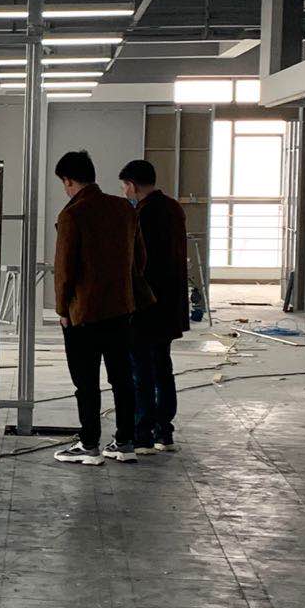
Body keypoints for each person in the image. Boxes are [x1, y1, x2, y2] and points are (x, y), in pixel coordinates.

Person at [51, 150, 147, 465]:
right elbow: (139, 259)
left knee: (86, 381)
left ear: (68, 181)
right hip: (121, 308)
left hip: (84, 312)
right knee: (122, 378)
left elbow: (64, 269)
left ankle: (89, 444)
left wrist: (62, 309)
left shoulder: (72, 214)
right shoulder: (123, 209)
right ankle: (125, 442)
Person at [119, 158, 189, 453]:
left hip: (146, 304)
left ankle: (142, 434)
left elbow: (137, 263)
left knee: (141, 371)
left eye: (124, 186)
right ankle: (164, 432)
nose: (124, 192)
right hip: (170, 305)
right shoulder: (174, 208)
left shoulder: (141, 214)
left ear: (132, 185)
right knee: (163, 367)